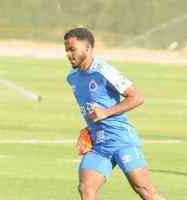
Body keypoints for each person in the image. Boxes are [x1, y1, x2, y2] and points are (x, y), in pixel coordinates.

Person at [64, 27, 165, 200]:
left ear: (87, 48)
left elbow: (137, 97)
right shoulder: (72, 77)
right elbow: (93, 107)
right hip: (99, 145)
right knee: (86, 188)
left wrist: (106, 112)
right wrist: (90, 127)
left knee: (144, 190)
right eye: (66, 49)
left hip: (121, 140)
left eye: (72, 49)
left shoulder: (104, 70)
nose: (68, 54)